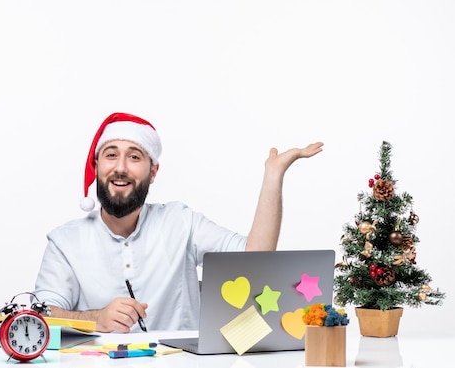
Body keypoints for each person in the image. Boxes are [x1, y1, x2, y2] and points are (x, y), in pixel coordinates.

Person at [33, 112, 323, 333]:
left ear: (153, 171)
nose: (120, 167)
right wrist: (96, 319)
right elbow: (38, 315)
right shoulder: (64, 242)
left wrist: (273, 175)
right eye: (111, 155)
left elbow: (256, 260)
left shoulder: (181, 222)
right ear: (97, 167)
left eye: (134, 156)